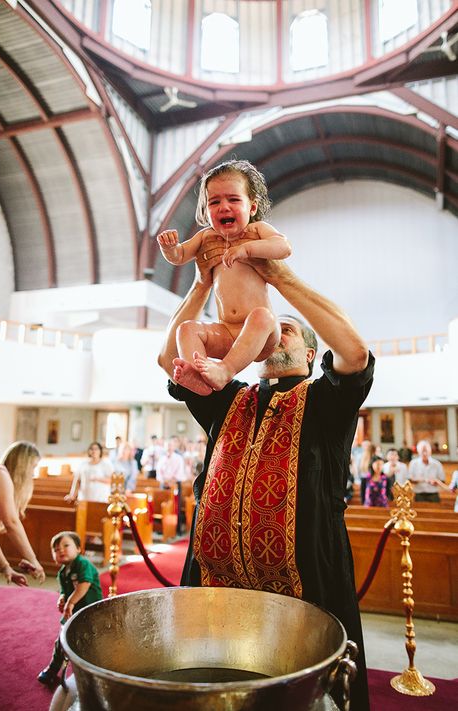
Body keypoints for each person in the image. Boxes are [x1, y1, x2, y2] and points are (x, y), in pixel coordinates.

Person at [158, 245, 373, 711]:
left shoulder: (325, 402)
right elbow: (165, 357)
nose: (278, 335)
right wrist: (200, 284)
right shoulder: (228, 396)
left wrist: (281, 280)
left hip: (304, 591)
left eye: (289, 331)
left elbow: (355, 352)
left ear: (312, 354)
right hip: (216, 589)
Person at [157, 159, 291, 396]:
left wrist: (248, 250)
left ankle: (225, 370)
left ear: (252, 207)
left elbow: (283, 247)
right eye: (214, 201)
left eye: (234, 199)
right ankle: (198, 378)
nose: (224, 207)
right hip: (227, 332)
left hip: (262, 333)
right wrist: (170, 248)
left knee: (262, 316)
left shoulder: (257, 230)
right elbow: (180, 255)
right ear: (206, 211)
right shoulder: (205, 237)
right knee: (186, 329)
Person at [37, 530, 103, 686]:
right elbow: (64, 591)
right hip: (72, 612)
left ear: (79, 549)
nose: (60, 550)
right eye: (56, 549)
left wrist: (70, 602)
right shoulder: (62, 572)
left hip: (89, 611)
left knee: (91, 643)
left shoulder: (83, 564)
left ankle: (95, 673)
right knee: (61, 641)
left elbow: (84, 584)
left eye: (66, 545)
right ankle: (53, 669)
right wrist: (62, 598)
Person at [0, 441, 45, 586]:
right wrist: (33, 559)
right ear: (23, 465)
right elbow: (11, 523)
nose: (33, 473)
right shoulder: (0, 473)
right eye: (33, 467)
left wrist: (6, 568)